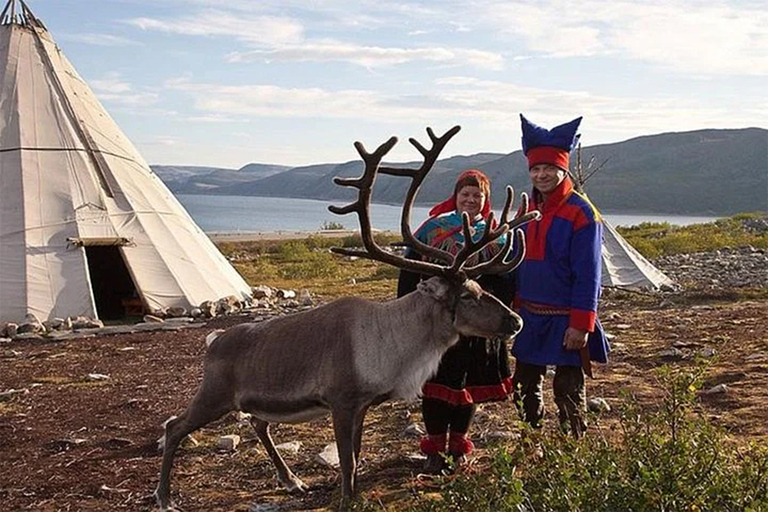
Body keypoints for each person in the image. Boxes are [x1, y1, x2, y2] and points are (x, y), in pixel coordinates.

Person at [397, 169, 514, 474]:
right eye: (466, 194)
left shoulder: (497, 234)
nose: (471, 200)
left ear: (486, 200)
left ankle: (457, 449)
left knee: (467, 389)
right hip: (436, 323)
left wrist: (486, 303)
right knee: (434, 384)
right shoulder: (433, 230)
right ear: (456, 196)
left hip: (478, 324)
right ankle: (435, 451)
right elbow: (410, 273)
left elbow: (507, 281)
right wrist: (406, 314)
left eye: (478, 195)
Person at [510, 114, 609, 438]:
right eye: (536, 169)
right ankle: (531, 442)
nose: (541, 175)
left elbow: (588, 275)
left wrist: (581, 324)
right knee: (524, 388)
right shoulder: (525, 212)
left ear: (562, 169)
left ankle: (571, 456)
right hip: (529, 316)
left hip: (566, 319)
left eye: (548, 169)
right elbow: (516, 262)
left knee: (567, 390)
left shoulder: (582, 214)